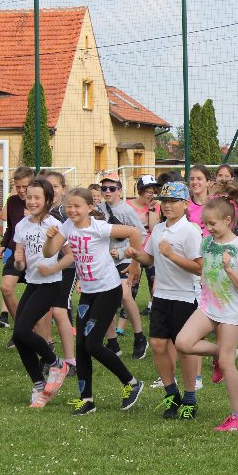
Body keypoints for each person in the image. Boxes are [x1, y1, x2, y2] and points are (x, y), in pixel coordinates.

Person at [43, 187, 145, 415]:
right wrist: (49, 239)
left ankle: (131, 383)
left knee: (93, 344)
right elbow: (49, 253)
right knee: (81, 346)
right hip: (88, 293)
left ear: (90, 207)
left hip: (108, 290)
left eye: (77, 206)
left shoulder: (99, 227)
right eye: (68, 206)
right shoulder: (67, 226)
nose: (72, 210)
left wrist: (135, 263)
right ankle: (87, 399)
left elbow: (134, 232)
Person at [174, 189, 238, 432]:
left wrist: (229, 269)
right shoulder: (206, 242)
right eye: (206, 224)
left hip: (232, 311)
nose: (209, 228)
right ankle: (221, 352)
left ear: (227, 220)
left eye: (212, 223)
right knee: (183, 343)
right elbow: (204, 271)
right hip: (208, 306)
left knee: (226, 362)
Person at [128, 182, 203, 420]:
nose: (167, 205)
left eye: (172, 201)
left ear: (185, 204)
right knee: (158, 345)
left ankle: (190, 398)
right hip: (161, 296)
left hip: (185, 297)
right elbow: (150, 258)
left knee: (184, 348)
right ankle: (172, 395)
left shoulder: (190, 231)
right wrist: (135, 255)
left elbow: (199, 268)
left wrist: (171, 255)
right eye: (164, 201)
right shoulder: (159, 229)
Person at [11, 178, 70, 408]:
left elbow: (70, 255)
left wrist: (53, 269)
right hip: (32, 283)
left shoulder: (54, 225)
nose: (32, 201)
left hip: (51, 284)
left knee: (22, 330)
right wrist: (18, 261)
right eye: (29, 197)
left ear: (47, 200)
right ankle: (38, 385)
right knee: (19, 336)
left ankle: (56, 363)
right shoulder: (21, 225)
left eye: (37, 197)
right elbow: (20, 261)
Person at [99, 172, 148, 360]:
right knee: (105, 299)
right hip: (105, 261)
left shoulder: (126, 210)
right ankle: (112, 343)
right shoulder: (98, 208)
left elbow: (140, 234)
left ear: (120, 191)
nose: (108, 191)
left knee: (125, 295)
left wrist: (123, 252)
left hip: (125, 259)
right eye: (104, 188)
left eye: (112, 188)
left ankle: (139, 337)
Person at [38, 170, 76, 372]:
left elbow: (71, 249)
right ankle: (48, 354)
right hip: (45, 268)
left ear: (63, 189)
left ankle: (71, 361)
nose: (51, 191)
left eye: (55, 187)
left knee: (60, 311)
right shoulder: (38, 213)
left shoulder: (64, 213)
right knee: (42, 311)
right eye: (47, 186)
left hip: (66, 267)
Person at [0, 166, 34, 329]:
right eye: (18, 186)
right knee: (5, 288)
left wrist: (35, 216)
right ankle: (21, 327)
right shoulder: (12, 201)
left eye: (25, 186)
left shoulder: (41, 201)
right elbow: (11, 227)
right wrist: (4, 245)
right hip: (16, 253)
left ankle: (42, 334)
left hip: (36, 254)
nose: (21, 190)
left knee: (38, 296)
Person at [127, 174, 161, 314]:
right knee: (132, 285)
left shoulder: (156, 206)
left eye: (154, 192)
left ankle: (155, 310)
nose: (152, 195)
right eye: (148, 191)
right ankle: (127, 312)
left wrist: (152, 209)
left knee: (154, 284)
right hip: (132, 251)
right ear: (140, 191)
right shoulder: (128, 206)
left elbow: (153, 229)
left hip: (149, 251)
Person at [187, 164, 211, 231]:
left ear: (208, 182)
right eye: (192, 179)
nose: (195, 182)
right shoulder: (185, 205)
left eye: (199, 179)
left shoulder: (217, 203)